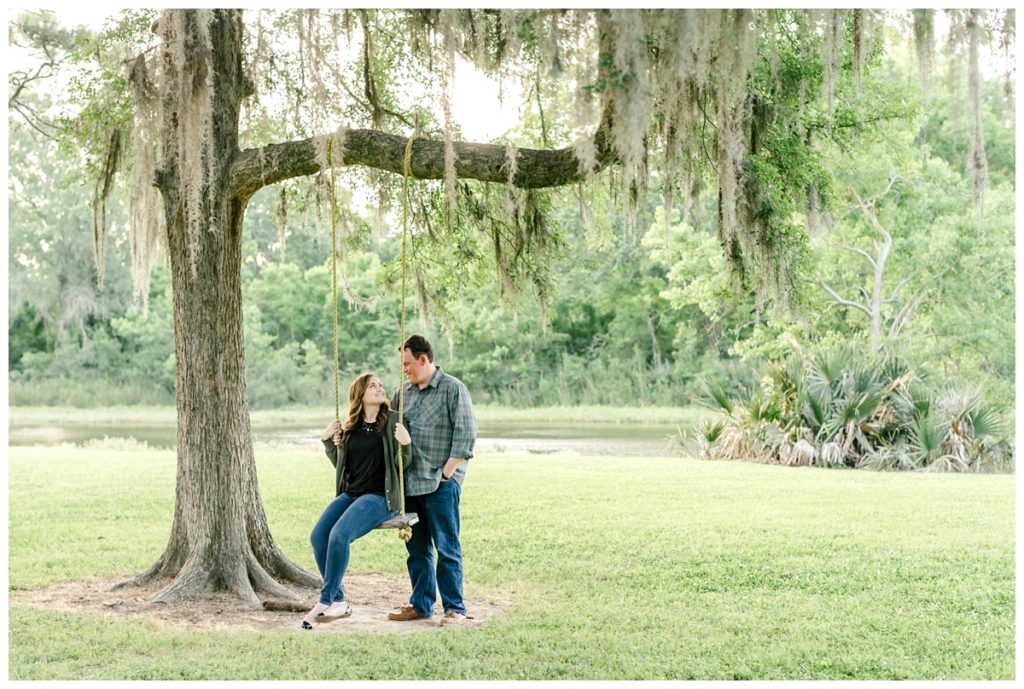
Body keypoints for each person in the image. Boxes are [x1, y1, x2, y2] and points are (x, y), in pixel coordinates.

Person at [302, 372, 412, 630]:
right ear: (360, 394)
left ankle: (325, 601)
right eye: (372, 386)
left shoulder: (393, 421)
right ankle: (339, 601)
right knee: (319, 536)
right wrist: (328, 442)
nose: (379, 389)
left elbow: (403, 464)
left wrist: (406, 444)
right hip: (351, 493)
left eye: (380, 385)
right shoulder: (350, 427)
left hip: (380, 497)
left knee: (340, 534)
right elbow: (343, 467)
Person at [387, 334, 477, 626]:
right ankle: (421, 604)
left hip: (440, 485)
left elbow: (465, 437)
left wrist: (446, 475)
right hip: (411, 485)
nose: (405, 369)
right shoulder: (403, 394)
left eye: (408, 363)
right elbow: (388, 434)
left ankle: (455, 609)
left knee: (447, 548)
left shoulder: (453, 389)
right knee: (417, 550)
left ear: (424, 360)